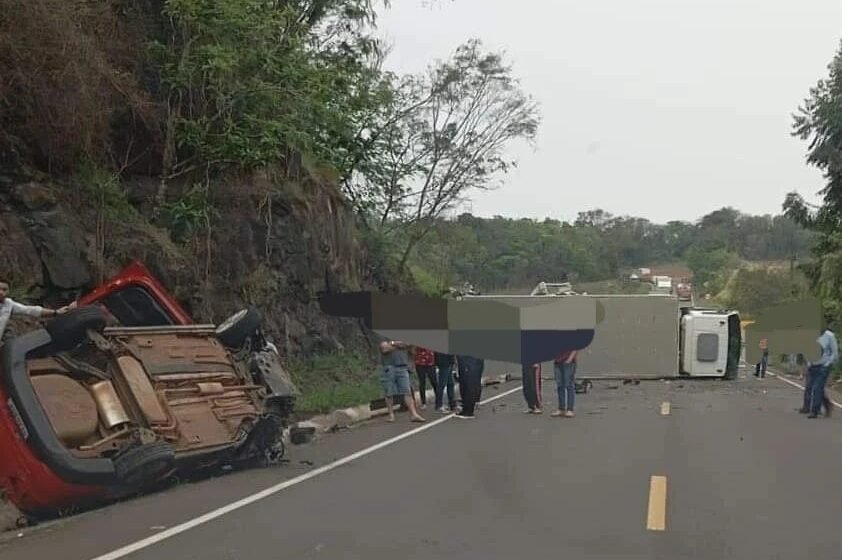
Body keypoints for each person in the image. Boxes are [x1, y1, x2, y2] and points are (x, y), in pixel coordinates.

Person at [0, 279, 75, 343]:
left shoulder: (8, 304)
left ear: (8, 292)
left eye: (4, 289)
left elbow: (30, 310)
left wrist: (56, 312)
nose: (1, 292)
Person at [379, 338, 425, 423]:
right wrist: (400, 345)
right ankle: (391, 415)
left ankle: (414, 414)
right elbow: (384, 348)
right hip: (389, 367)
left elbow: (409, 345)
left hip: (403, 366)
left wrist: (392, 344)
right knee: (389, 392)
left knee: (407, 391)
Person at [800, 322, 839, 419]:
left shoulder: (829, 336)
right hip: (813, 365)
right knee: (809, 387)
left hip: (823, 366)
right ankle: (809, 406)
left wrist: (827, 364)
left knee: (817, 388)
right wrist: (808, 362)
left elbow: (834, 353)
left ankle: (815, 411)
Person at [454, 354, 484, 419]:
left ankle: (468, 411)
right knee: (472, 382)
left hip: (469, 361)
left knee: (469, 383)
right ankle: (469, 406)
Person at [552, 349, 578, 418]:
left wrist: (570, 359)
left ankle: (570, 409)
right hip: (557, 361)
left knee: (569, 385)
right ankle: (561, 408)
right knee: (560, 385)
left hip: (569, 362)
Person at [412, 346, 438, 410]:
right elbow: (413, 350)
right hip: (420, 362)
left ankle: (438, 400)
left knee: (434, 382)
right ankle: (423, 402)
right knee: (422, 382)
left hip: (430, 362)